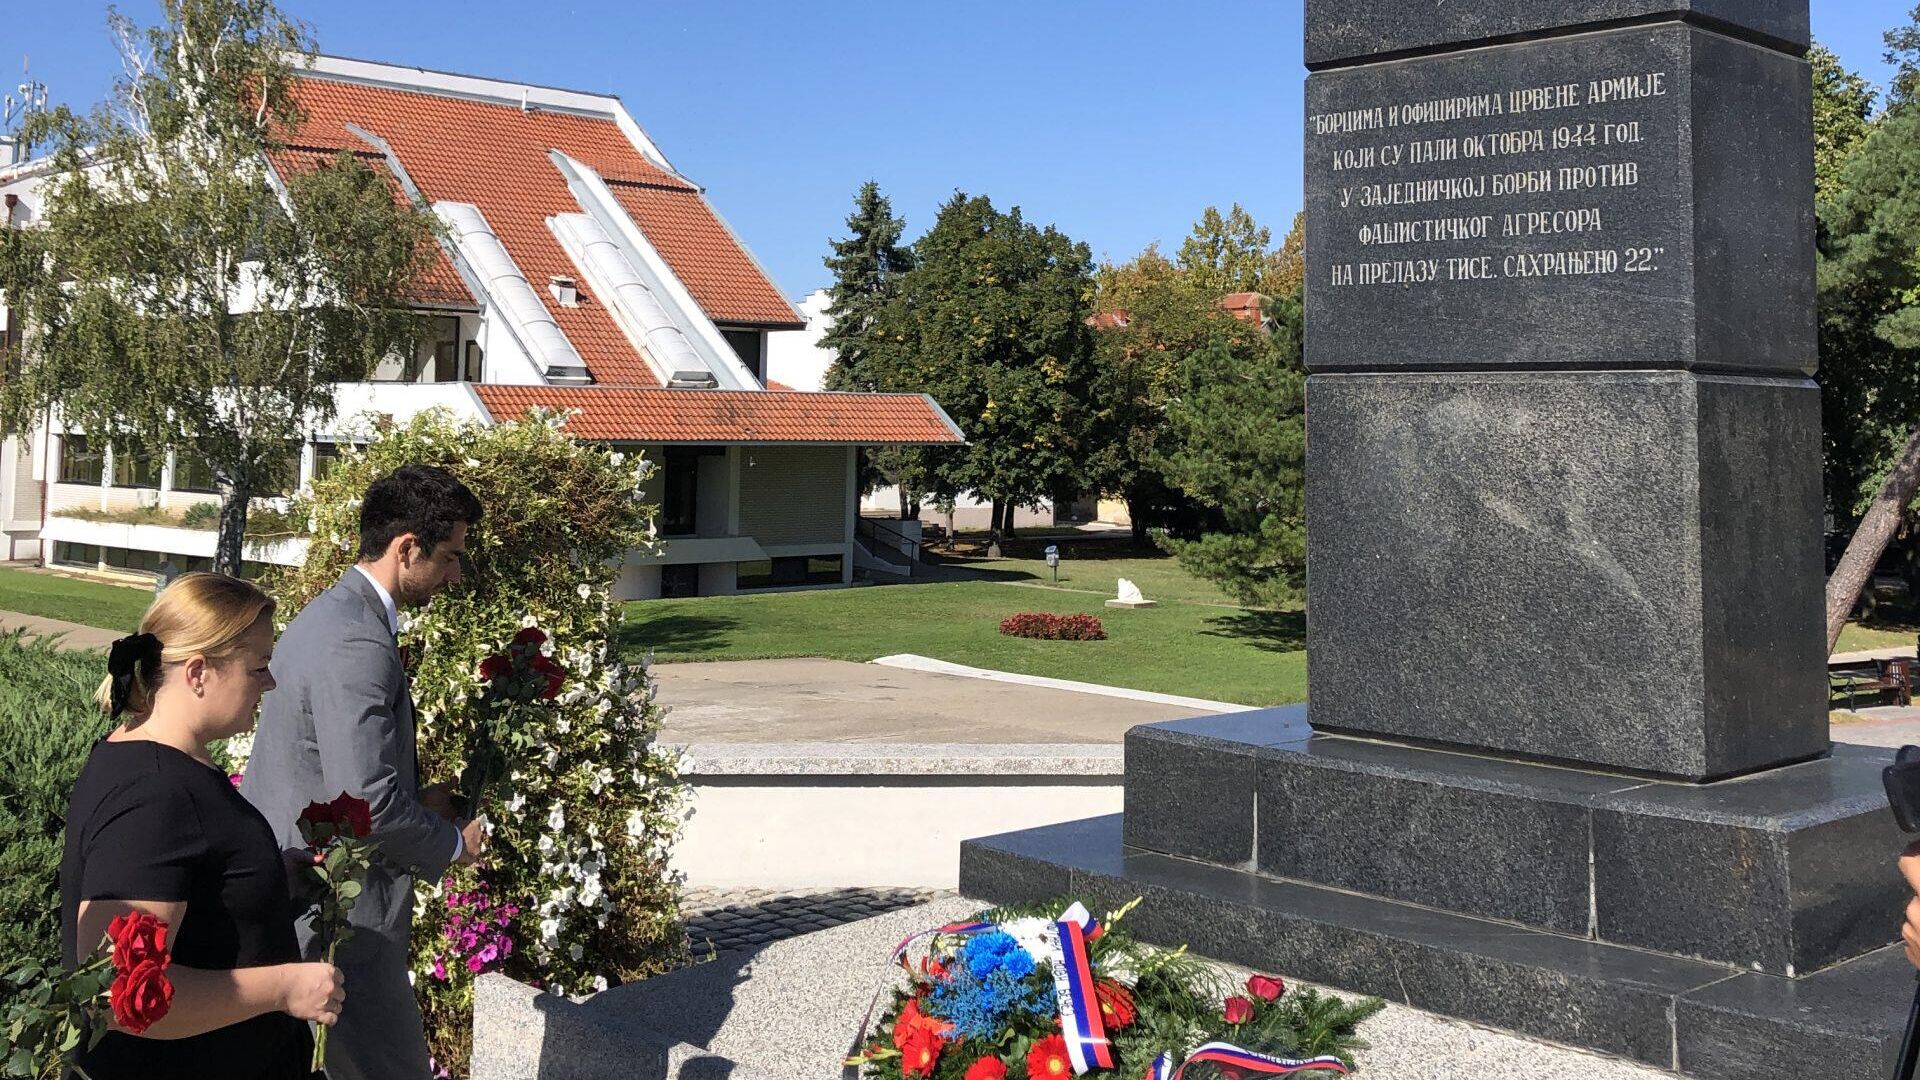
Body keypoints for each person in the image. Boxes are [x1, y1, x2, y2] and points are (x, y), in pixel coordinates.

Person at [242, 464, 485, 1080]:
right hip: (341, 913)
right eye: (451, 556)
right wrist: (454, 844)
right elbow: (368, 800)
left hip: (313, 892)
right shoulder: (357, 640)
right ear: (408, 549)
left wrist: (419, 798)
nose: (456, 574)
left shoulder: (331, 614)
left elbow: (338, 770)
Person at [60, 572, 345, 1080]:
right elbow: (117, 993)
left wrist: (263, 882)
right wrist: (285, 988)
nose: (271, 682)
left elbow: (185, 883)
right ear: (198, 673)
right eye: (259, 667)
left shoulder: (153, 760)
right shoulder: (155, 793)